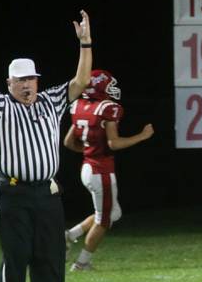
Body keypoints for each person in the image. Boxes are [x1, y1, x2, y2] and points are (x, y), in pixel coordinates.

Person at [0, 12, 92, 282]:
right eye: (20, 80)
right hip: (12, 190)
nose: (27, 85)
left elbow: (81, 82)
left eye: (31, 79)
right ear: (9, 83)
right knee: (16, 256)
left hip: (46, 191)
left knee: (49, 256)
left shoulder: (50, 100)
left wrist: (85, 44)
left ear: (38, 80)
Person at [63, 69, 154, 271]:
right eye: (108, 86)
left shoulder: (78, 105)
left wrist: (89, 151)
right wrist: (142, 136)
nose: (112, 90)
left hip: (87, 167)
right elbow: (113, 143)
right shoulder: (108, 108)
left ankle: (70, 235)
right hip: (100, 170)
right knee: (104, 220)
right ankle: (82, 263)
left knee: (112, 213)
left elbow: (68, 142)